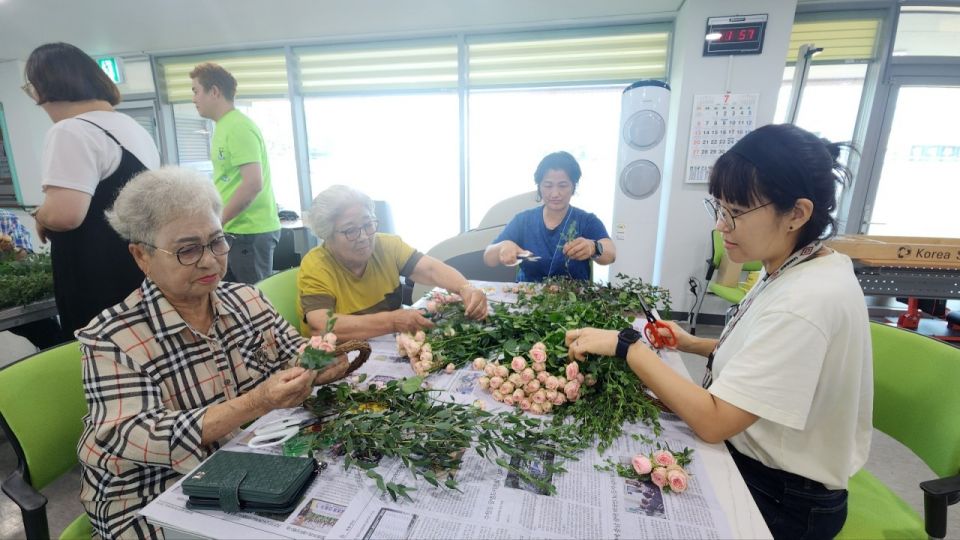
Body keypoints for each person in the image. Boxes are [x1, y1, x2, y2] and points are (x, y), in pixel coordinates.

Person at [566, 124, 872, 539]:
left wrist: (628, 348)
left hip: (784, 496)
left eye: (735, 213)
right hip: (761, 463)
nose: (720, 226)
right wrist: (694, 344)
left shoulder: (808, 300)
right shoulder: (796, 265)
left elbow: (715, 422)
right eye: (719, 208)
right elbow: (772, 355)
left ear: (796, 214)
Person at [76, 167, 349, 539]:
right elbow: (137, 434)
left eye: (217, 241)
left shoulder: (246, 300)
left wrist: (323, 363)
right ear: (141, 256)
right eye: (187, 249)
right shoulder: (111, 338)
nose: (209, 260)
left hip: (239, 467)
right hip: (152, 495)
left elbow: (293, 353)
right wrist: (259, 401)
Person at [25, 42, 160, 338]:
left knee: (100, 357)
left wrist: (40, 214)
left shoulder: (71, 130)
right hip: (135, 267)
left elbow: (66, 215)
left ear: (41, 88)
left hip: (96, 275)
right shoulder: (130, 127)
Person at [297, 185, 488, 341]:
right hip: (340, 356)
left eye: (367, 224)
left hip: (385, 344)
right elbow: (321, 324)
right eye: (350, 230)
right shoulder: (316, 266)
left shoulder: (386, 245)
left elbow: (430, 269)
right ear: (327, 235)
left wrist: (465, 288)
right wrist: (392, 321)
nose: (364, 237)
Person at [190, 62, 281, 284]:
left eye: (196, 91)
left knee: (253, 303)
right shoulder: (224, 126)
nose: (194, 99)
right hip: (236, 231)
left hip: (248, 231)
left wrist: (217, 222)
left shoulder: (238, 127)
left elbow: (252, 183)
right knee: (233, 299)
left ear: (214, 92)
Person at [483, 151, 616, 281]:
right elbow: (488, 258)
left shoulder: (586, 221)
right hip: (528, 296)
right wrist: (502, 247)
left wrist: (593, 247)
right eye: (548, 185)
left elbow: (611, 254)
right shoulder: (523, 221)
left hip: (574, 299)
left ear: (573, 187)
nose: (555, 194)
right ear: (539, 187)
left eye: (563, 186)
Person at [0, 209, 63, 349]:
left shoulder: (5, 217)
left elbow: (26, 260)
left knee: (49, 335)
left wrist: (10, 249)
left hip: (7, 293)